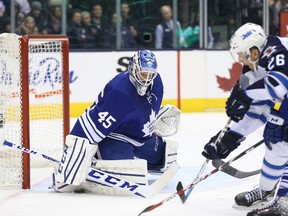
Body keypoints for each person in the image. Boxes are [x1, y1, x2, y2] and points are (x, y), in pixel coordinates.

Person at [53, 49, 181, 195]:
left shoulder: (156, 82)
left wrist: (151, 120)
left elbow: (144, 107)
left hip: (140, 137)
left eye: (150, 74)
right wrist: (72, 156)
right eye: (143, 74)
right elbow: (91, 124)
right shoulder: (119, 93)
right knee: (131, 176)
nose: (147, 79)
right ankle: (94, 163)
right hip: (114, 137)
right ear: (133, 69)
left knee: (164, 160)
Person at [201, 22, 288, 216]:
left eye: (242, 54)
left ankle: (285, 202)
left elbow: (278, 86)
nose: (240, 59)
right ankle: (266, 191)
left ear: (254, 50)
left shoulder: (277, 51)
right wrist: (229, 138)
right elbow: (258, 110)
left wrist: (246, 95)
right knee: (275, 139)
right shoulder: (253, 67)